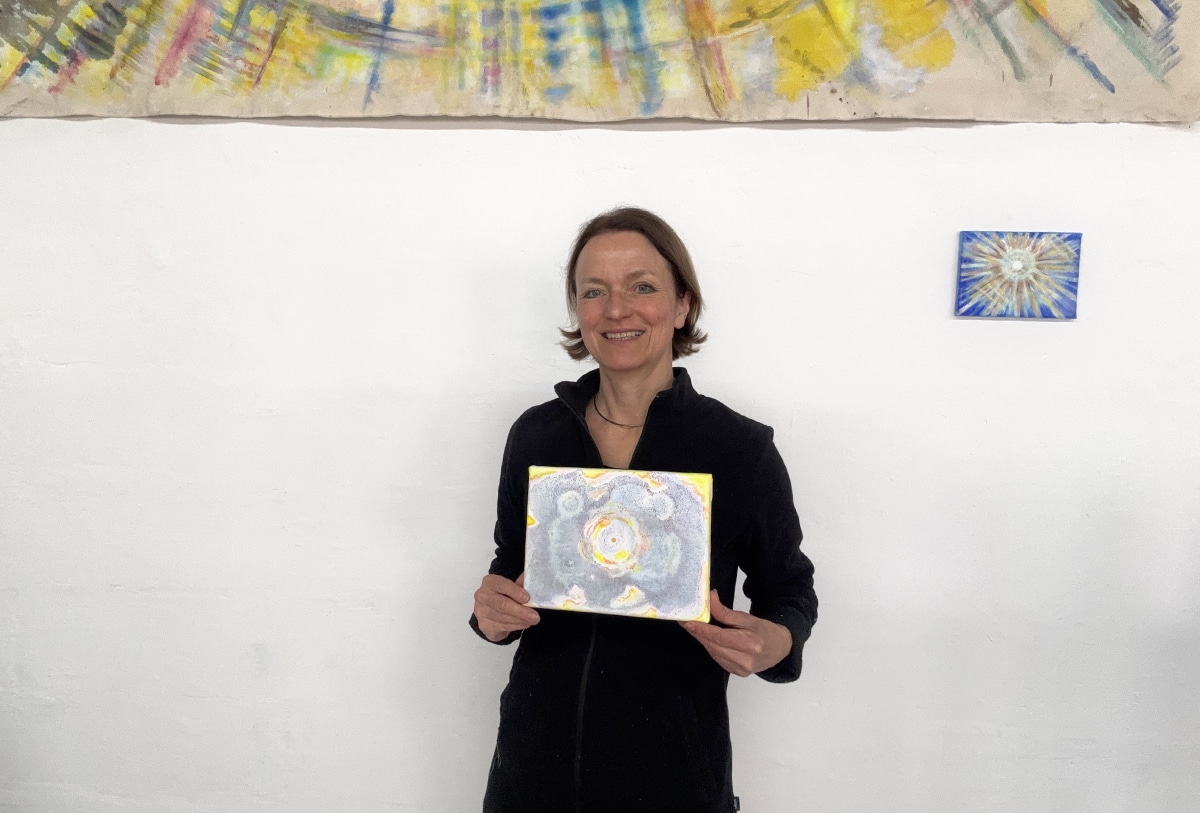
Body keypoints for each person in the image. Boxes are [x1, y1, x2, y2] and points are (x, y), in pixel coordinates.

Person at [470, 207, 817, 813]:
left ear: (683, 305)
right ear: (578, 311)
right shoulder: (536, 435)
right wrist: (491, 614)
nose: (616, 309)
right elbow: (511, 567)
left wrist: (777, 641)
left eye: (643, 286)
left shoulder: (738, 448)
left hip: (674, 780)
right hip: (531, 773)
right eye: (594, 291)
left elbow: (789, 586)